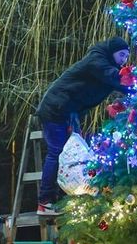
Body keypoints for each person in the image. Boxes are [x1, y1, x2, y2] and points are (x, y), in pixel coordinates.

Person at [35, 37, 130, 214]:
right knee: (58, 153)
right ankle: (45, 201)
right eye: (121, 55)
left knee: (73, 155)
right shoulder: (97, 61)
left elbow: (120, 83)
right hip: (56, 109)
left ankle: (66, 199)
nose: (124, 60)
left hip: (69, 112)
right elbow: (113, 77)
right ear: (112, 52)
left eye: (126, 56)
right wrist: (132, 78)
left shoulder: (107, 66)